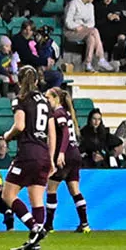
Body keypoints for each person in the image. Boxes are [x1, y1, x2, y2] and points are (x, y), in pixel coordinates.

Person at [0, 65, 52, 250]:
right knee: (36, 198)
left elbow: (19, 125)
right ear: (36, 81)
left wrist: (7, 135)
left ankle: (35, 227)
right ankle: (35, 241)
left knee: (8, 194)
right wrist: (51, 158)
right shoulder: (45, 101)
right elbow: (52, 132)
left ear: (19, 81)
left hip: (28, 152)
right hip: (43, 153)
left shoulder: (20, 99)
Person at [45, 84, 90, 232]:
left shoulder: (58, 113)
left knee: (51, 189)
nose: (46, 101)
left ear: (56, 99)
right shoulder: (67, 113)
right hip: (75, 153)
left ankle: (49, 225)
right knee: (74, 190)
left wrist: (61, 152)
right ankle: (85, 224)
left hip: (65, 154)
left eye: (48, 98)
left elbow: (64, 133)